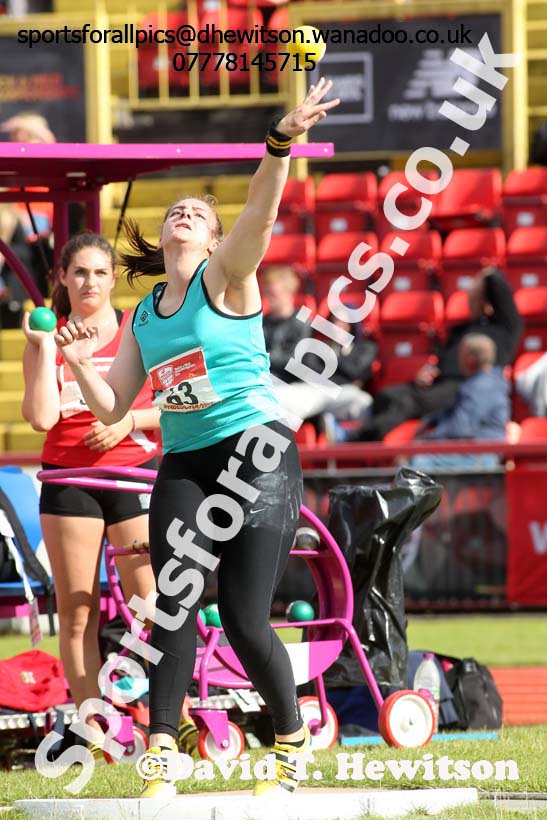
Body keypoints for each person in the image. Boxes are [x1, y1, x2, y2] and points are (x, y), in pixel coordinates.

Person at [52, 79, 340, 798]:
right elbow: (116, 403)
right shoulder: (145, 312)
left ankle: (290, 737)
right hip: (184, 462)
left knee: (244, 620)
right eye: (176, 208)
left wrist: (279, 142)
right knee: (170, 604)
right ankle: (160, 755)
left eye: (197, 213)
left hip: (255, 456)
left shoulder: (228, 276)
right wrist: (81, 366)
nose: (182, 213)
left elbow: (263, 211)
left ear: (212, 239)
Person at [21, 232, 160, 760]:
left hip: (134, 476)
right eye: (80, 273)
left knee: (151, 606)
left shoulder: (137, 329)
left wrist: (127, 421)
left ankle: (174, 714)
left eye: (101, 273)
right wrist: (39, 350)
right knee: (78, 611)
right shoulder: (49, 334)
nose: (90, 283)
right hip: (68, 479)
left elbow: (176, 405)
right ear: (62, 277)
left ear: (112, 277)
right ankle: (93, 727)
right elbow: (40, 418)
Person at [332, 267, 522, 442]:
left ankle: (353, 438)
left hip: (465, 386)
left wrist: (486, 275)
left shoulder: (505, 328)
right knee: (388, 395)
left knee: (405, 402)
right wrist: (432, 370)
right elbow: (444, 357)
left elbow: (499, 287)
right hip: (438, 383)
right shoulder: (463, 328)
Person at [411, 333, 510, 471]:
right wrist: (430, 420)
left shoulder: (480, 386)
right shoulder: (485, 380)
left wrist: (425, 441)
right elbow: (454, 411)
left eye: (461, 353)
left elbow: (460, 427)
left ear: (470, 359)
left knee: (418, 461)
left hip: (480, 454)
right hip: (474, 450)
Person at [261, 265, 312, 382]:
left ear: (289, 294)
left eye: (273, 294)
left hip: (291, 383)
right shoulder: (263, 322)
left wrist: (264, 357)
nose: (268, 298)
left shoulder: (302, 321)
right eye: (266, 293)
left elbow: (297, 361)